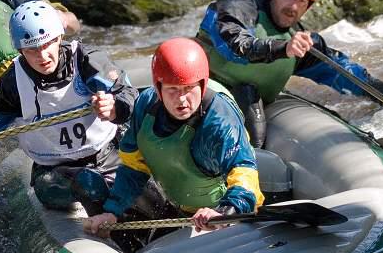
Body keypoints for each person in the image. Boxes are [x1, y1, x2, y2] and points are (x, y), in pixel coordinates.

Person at [0, 1, 137, 215]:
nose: (42, 56)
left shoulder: (87, 60)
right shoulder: (13, 82)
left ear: (59, 37)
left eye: (47, 44)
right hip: (53, 174)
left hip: (107, 155)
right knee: (89, 183)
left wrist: (115, 108)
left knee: (146, 195)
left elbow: (128, 93)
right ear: (20, 50)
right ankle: (108, 228)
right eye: (32, 50)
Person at [197, 0, 383, 148]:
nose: (293, 7)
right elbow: (237, 46)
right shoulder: (236, 9)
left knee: (253, 117)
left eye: (302, 1)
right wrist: (283, 48)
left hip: (250, 102)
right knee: (247, 112)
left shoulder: (302, 42)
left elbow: (347, 74)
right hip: (198, 92)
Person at [84, 38, 264, 242]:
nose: (182, 99)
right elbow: (134, 168)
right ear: (158, 88)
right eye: (173, 89)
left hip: (222, 214)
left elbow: (244, 170)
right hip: (181, 211)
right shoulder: (146, 105)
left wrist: (226, 211)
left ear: (203, 85)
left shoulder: (219, 120)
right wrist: (112, 211)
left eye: (189, 88)